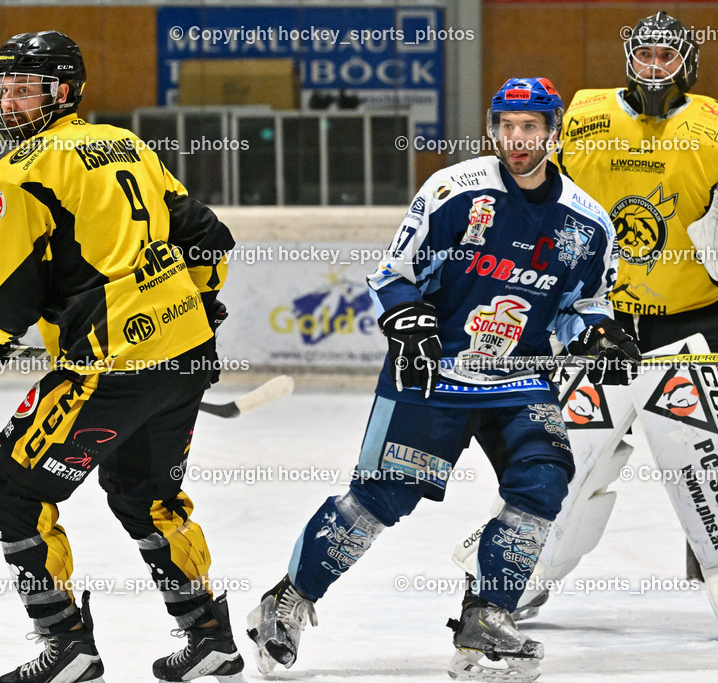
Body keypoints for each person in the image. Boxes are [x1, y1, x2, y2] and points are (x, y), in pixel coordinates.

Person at [246, 76, 640, 682]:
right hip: (434, 372)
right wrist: (409, 320)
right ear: (493, 129)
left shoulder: (587, 224)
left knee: (542, 482)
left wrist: (598, 333)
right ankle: (288, 601)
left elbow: (582, 306)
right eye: (507, 126)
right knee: (380, 499)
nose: (517, 138)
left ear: (553, 132)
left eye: (530, 127)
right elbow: (395, 274)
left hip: (519, 378)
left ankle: (486, 619)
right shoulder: (455, 191)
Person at [0, 31, 244, 683]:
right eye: (7, 86)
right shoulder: (126, 142)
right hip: (185, 352)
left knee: (8, 492)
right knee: (146, 495)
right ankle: (209, 634)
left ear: (64, 91)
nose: (10, 100)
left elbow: (9, 306)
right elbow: (208, 237)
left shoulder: (20, 174)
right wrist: (203, 306)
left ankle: (67, 643)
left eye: (27, 86)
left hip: (110, 366)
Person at [517, 11, 718, 636]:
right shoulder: (582, 114)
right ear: (628, 60)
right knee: (564, 454)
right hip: (601, 324)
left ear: (688, 63)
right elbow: (539, 197)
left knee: (714, 457)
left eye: (667, 57)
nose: (655, 68)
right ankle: (519, 574)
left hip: (698, 320)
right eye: (645, 57)